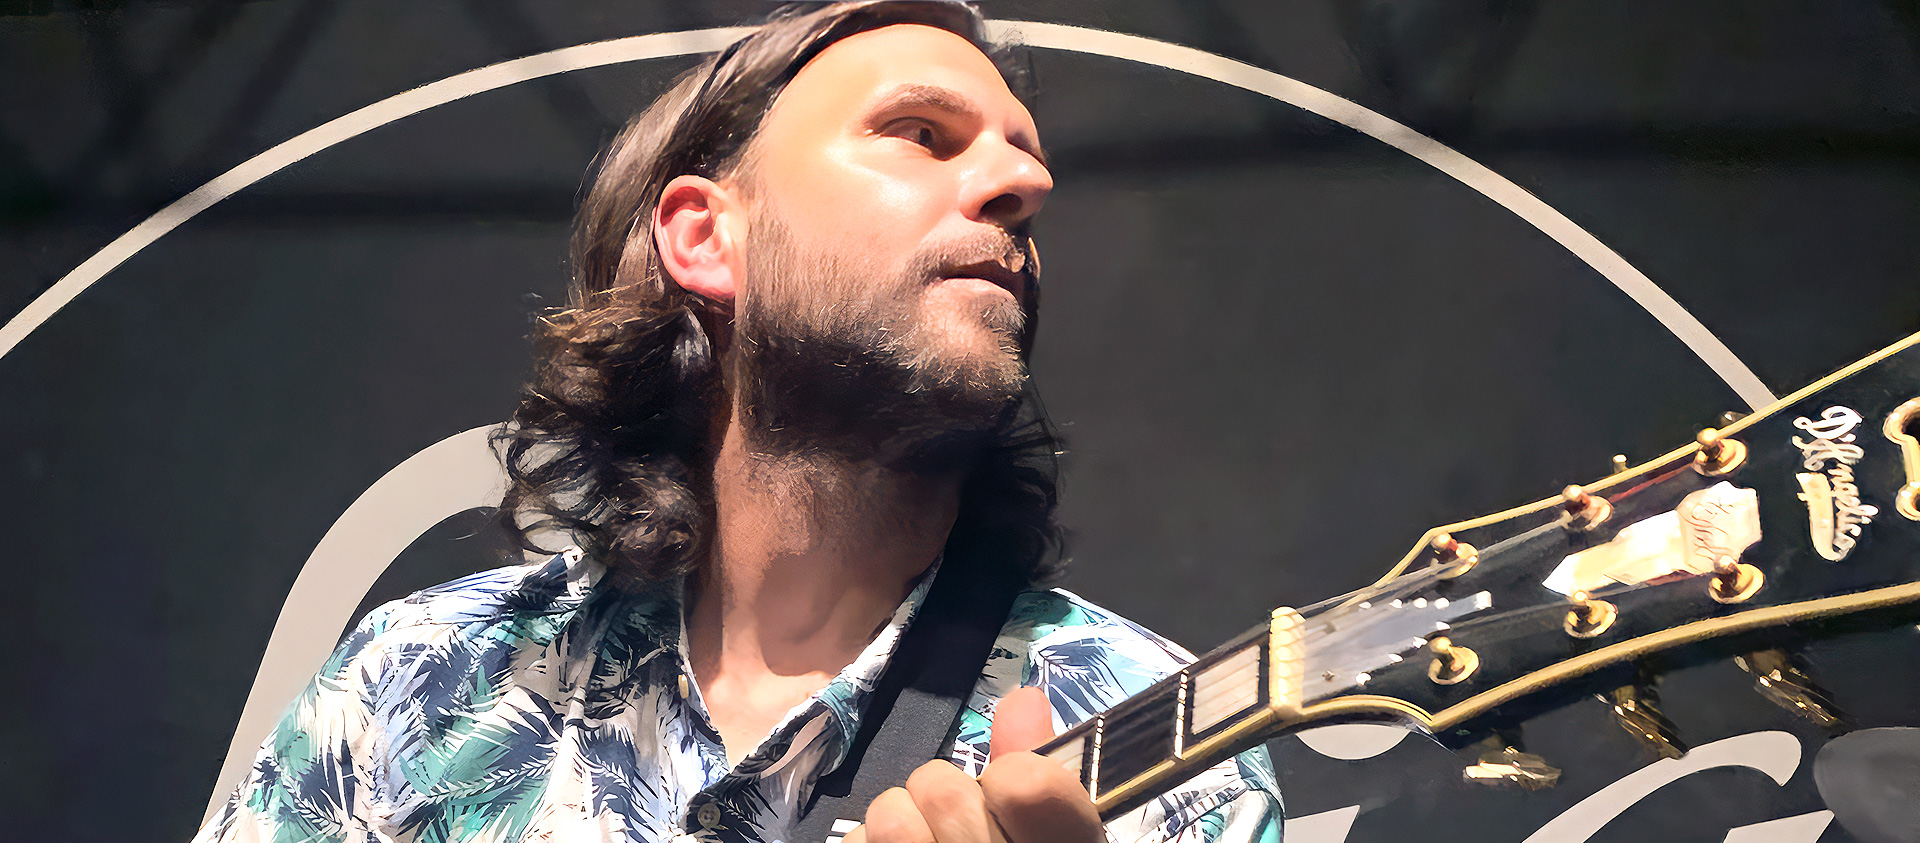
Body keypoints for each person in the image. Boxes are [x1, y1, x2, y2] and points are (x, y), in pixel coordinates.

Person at [194, 2, 1283, 841]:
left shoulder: (1166, 752)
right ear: (706, 237)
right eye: (920, 133)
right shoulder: (422, 686)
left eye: (1022, 156)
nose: (1022, 181)